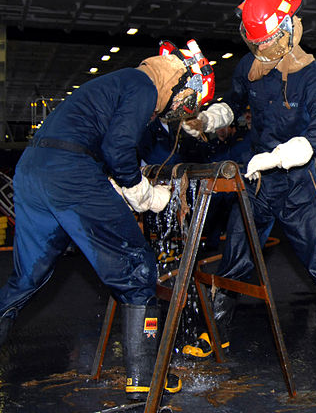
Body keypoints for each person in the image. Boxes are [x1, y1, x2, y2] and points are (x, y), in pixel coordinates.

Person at [0, 39, 216, 399]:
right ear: (181, 80)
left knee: (28, 276)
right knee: (138, 267)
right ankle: (145, 377)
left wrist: (117, 184)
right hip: (70, 173)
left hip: (34, 170)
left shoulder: (120, 83)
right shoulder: (144, 86)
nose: (182, 109)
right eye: (188, 100)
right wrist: (143, 194)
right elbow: (118, 149)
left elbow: (98, 145)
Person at [181, 0, 316, 369]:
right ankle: (214, 331)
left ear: (287, 27)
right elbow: (234, 104)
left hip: (298, 181)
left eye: (267, 40)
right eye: (256, 41)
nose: (262, 49)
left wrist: (282, 155)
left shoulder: (312, 76)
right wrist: (208, 119)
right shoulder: (249, 68)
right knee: (235, 256)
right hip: (256, 181)